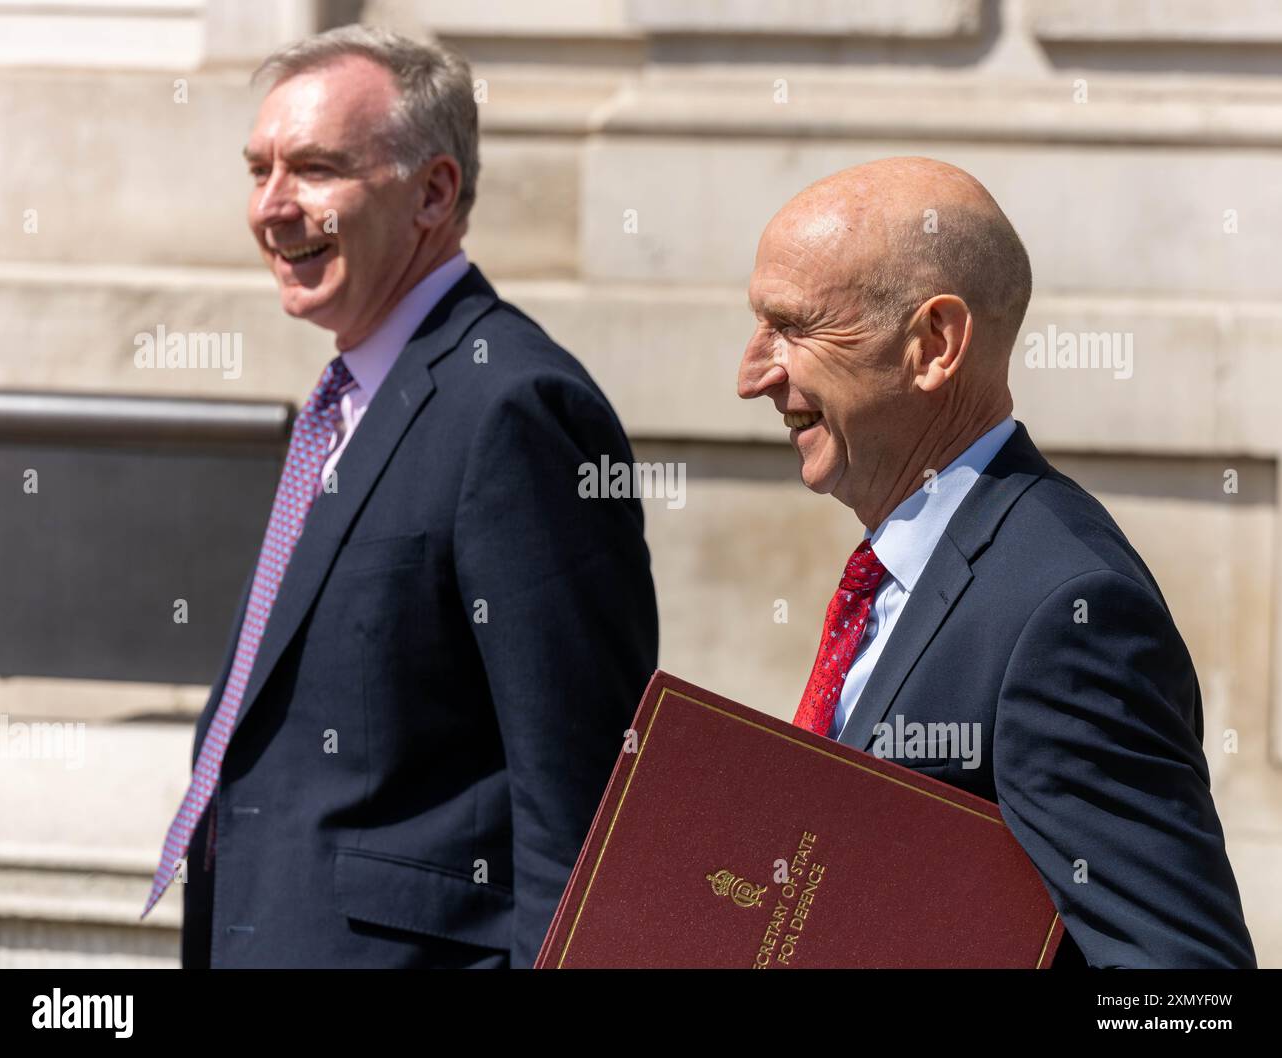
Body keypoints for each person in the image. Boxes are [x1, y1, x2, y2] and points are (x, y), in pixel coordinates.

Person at [140, 24, 657, 968]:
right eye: (257, 170)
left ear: (433, 192)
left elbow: (577, 796)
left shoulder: (517, 406)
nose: (272, 208)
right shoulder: (349, 397)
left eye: (315, 169)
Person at [737, 156, 1255, 968]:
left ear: (934, 344)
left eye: (795, 327)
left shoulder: (1069, 616)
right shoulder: (907, 566)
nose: (754, 375)